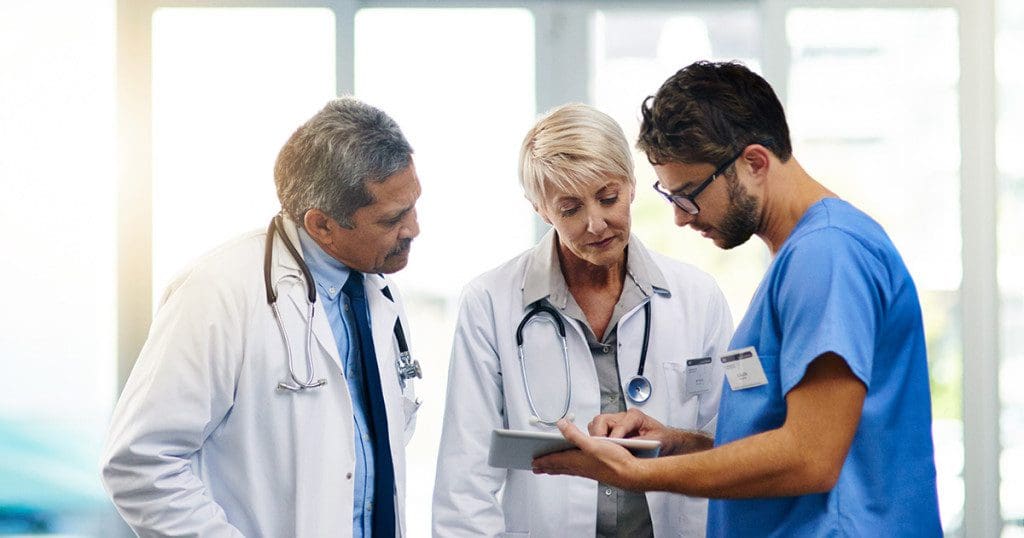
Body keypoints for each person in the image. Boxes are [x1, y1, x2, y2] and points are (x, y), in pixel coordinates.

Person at [533, 61, 942, 537]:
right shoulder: (800, 258)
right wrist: (674, 444)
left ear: (753, 163)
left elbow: (810, 458)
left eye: (689, 195)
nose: (683, 219)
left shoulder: (828, 255)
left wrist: (639, 474)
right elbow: (777, 442)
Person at [101, 97, 423, 537]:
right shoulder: (218, 291)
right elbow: (140, 463)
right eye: (393, 218)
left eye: (413, 206)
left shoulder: (376, 287)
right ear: (322, 225)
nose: (414, 230)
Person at [432, 103, 733, 537]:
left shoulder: (696, 297)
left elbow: (730, 447)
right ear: (540, 210)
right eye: (570, 209)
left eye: (608, 198)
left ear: (631, 185)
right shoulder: (491, 302)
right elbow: (465, 481)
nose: (596, 224)